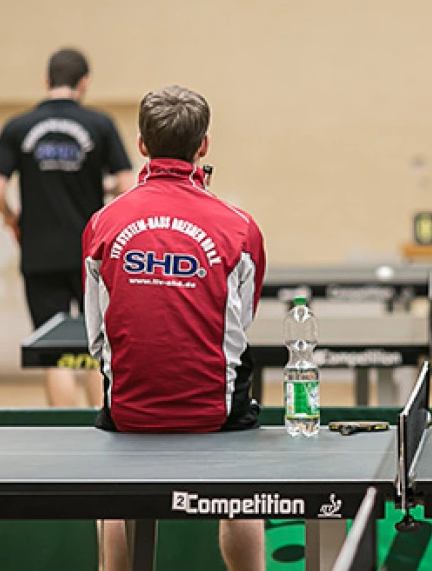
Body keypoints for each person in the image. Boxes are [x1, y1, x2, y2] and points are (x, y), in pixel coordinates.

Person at [82, 85, 266, 570]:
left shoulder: (102, 223)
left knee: (117, 489)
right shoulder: (240, 227)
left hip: (129, 410)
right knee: (241, 487)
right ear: (203, 145)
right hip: (215, 413)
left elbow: (96, 333)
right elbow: (239, 323)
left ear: (141, 144)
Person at [0, 47, 133, 407]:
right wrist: (103, 189)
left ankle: (64, 427)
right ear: (84, 82)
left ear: (46, 80)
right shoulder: (100, 125)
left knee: (53, 348)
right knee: (95, 344)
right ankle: (99, 423)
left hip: (39, 253)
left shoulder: (18, 126)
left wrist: (11, 217)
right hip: (89, 253)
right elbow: (127, 183)